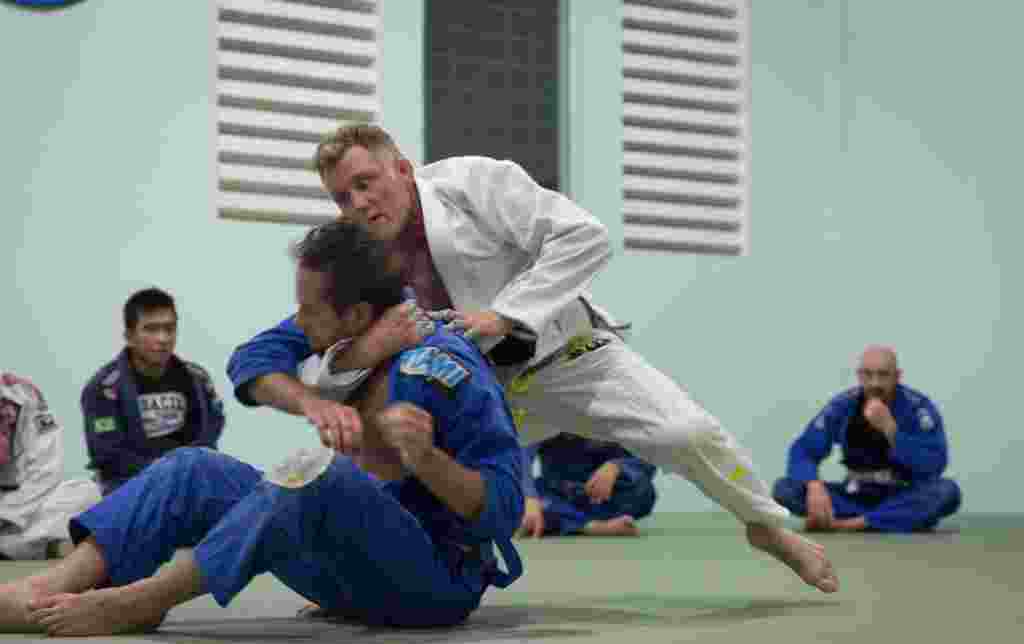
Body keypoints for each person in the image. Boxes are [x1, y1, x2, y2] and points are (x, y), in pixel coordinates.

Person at [226, 123, 838, 594]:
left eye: (367, 182)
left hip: (567, 356)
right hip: (482, 395)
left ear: (403, 169)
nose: (357, 202)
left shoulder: (471, 184)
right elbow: (315, 356)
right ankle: (361, 586)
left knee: (684, 431)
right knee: (383, 456)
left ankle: (765, 524)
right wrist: (363, 352)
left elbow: (585, 235)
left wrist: (509, 313)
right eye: (341, 196)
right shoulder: (356, 258)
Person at [0, 222, 524, 636]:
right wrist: (312, 402)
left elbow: (505, 508)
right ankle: (52, 585)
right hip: (350, 575)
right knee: (192, 467)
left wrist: (429, 460)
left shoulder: (444, 368)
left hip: (431, 586)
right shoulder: (341, 329)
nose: (298, 320)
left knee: (316, 477)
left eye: (309, 310)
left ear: (357, 312)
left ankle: (139, 601)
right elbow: (252, 361)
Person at [772, 345, 961, 532]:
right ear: (859, 376)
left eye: (883, 375)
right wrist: (813, 484)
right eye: (868, 375)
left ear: (897, 376)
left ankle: (852, 524)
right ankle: (890, 520)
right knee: (784, 489)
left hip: (901, 494)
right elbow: (804, 449)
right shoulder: (843, 405)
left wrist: (891, 430)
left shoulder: (918, 409)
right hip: (854, 496)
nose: (875, 383)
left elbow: (934, 464)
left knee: (947, 492)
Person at [82, 288, 225, 495]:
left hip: (192, 482)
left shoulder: (198, 379)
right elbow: (108, 454)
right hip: (128, 488)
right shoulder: (104, 389)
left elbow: (210, 431)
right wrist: (164, 475)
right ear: (129, 336)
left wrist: (187, 473)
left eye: (169, 329)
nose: (163, 338)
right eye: (151, 329)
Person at [1, 373, 101, 561]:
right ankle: (39, 548)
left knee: (85, 490)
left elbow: (46, 469)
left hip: (18, 507)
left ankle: (16, 547)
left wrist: (8, 516)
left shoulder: (23, 393)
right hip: (14, 515)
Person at [517, 433, 657, 537]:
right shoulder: (545, 411)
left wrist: (617, 466)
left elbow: (649, 457)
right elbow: (521, 457)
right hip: (556, 495)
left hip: (602, 498)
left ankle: (566, 522)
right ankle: (592, 527)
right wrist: (529, 497)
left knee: (643, 491)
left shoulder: (618, 408)